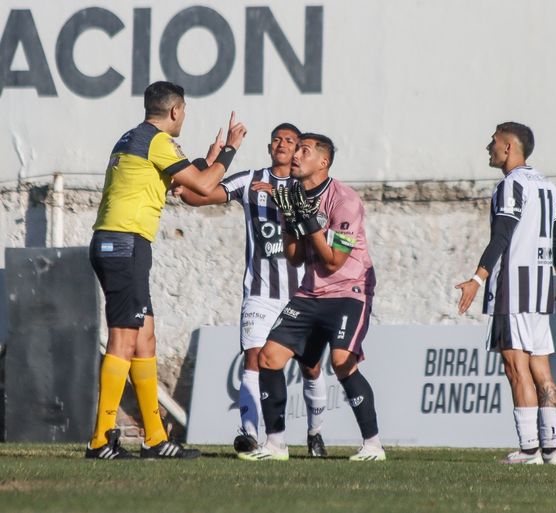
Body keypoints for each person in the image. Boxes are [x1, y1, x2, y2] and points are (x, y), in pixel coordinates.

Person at [86, 81, 247, 459]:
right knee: (124, 340)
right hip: (124, 244)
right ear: (175, 111)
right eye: (185, 111)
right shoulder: (158, 142)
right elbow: (204, 186)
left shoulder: (133, 138)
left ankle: (155, 438)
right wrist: (229, 150)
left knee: (145, 338)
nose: (184, 117)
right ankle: (100, 438)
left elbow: (181, 184)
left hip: (122, 244)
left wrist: (204, 162)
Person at [175, 123, 329, 459]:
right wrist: (207, 162)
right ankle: (249, 434)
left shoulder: (308, 185)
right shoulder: (249, 180)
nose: (282, 144)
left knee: (311, 367)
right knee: (254, 358)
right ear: (269, 147)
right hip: (260, 292)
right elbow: (199, 195)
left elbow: (316, 222)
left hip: (301, 293)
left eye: (290, 140)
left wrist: (280, 197)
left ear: (300, 148)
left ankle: (315, 434)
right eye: (276, 139)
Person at [243, 132, 385, 461]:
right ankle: (275, 444)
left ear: (323, 161)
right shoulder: (293, 196)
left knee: (341, 362)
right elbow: (293, 257)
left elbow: (334, 261)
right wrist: (290, 222)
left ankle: (373, 445)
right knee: (268, 358)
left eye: (303, 150)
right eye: (295, 149)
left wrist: (307, 220)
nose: (294, 154)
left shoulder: (345, 199)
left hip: (349, 290)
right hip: (311, 292)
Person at [456, 122, 556, 465]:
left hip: (513, 287)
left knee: (514, 366)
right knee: (541, 369)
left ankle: (528, 449)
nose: (488, 148)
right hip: (540, 290)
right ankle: (551, 450)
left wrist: (477, 279)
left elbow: (502, 235)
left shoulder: (511, 185)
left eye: (492, 142)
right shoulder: (547, 186)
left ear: (508, 147)